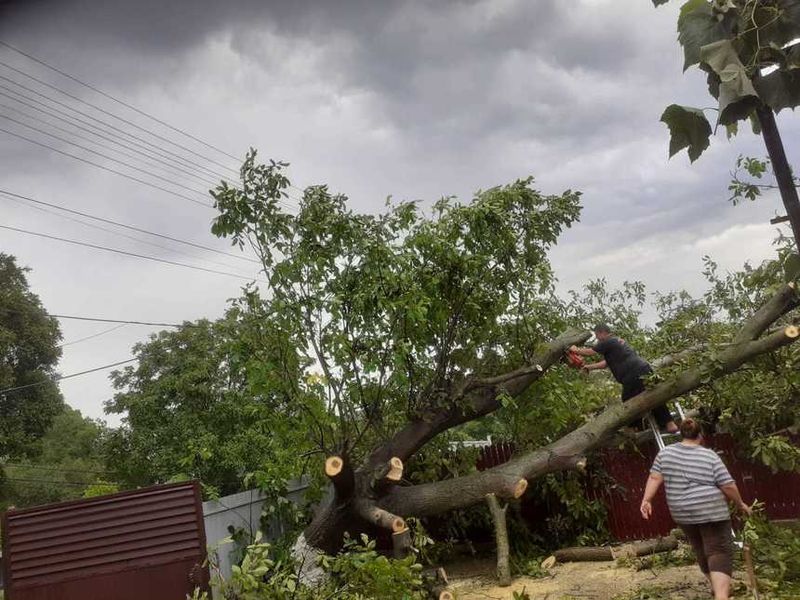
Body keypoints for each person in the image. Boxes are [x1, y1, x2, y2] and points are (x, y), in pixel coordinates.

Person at [640, 418, 752, 600]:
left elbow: (654, 478)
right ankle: (722, 596)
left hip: (683, 512)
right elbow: (728, 485)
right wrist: (740, 504)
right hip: (711, 509)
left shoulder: (665, 454)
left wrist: (646, 500)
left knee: (700, 548)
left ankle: (716, 588)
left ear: (682, 434)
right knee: (718, 550)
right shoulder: (709, 456)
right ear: (700, 435)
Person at [570, 323, 678, 433]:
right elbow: (606, 363)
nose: (597, 339)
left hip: (632, 374)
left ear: (602, 332)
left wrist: (575, 349)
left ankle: (632, 428)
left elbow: (590, 352)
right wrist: (590, 367)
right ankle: (669, 423)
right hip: (644, 369)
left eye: (597, 335)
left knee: (628, 403)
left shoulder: (608, 341)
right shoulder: (617, 341)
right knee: (654, 395)